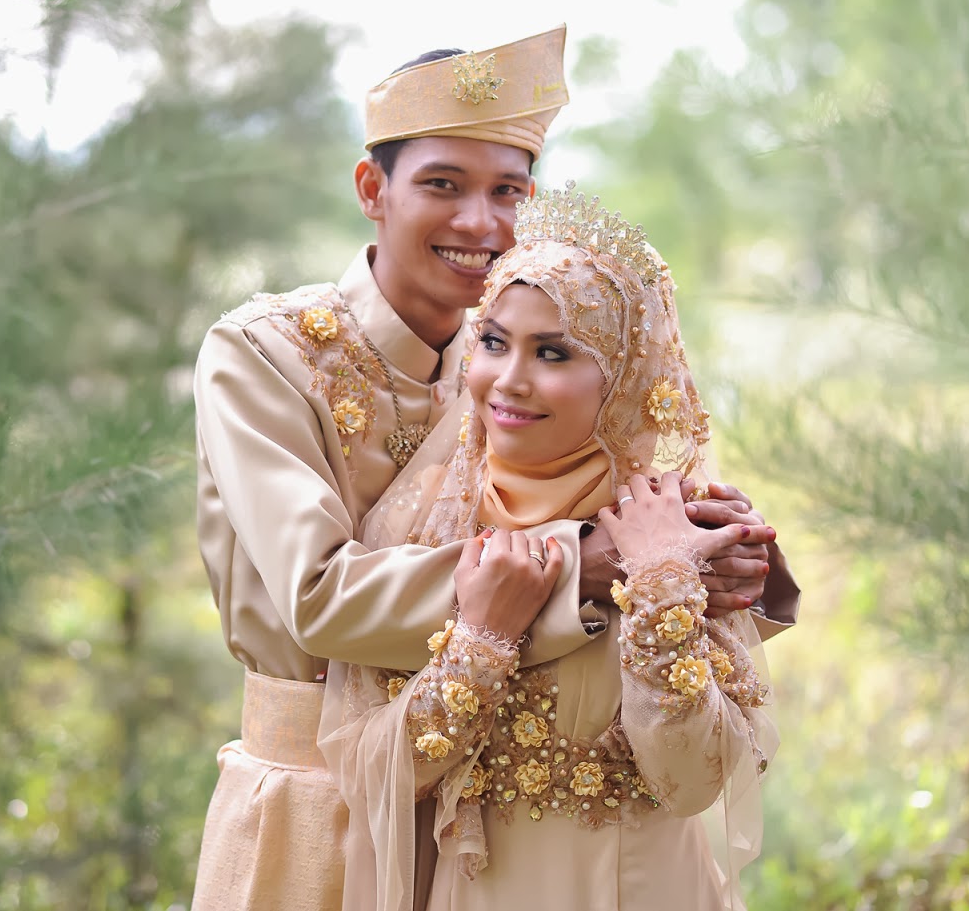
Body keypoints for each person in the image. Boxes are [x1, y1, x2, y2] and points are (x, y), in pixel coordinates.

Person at [192, 29, 796, 910]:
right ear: (373, 189)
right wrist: (585, 565)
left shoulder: (527, 361)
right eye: (443, 184)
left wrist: (712, 556)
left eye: (507, 189)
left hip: (485, 843)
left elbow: (639, 549)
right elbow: (318, 596)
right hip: (319, 811)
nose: (480, 221)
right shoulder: (265, 354)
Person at [319, 187, 778, 911]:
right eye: (493, 342)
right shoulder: (421, 524)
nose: (509, 380)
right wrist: (481, 640)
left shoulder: (670, 524)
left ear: (621, 376)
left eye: (553, 352)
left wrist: (661, 582)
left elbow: (694, 779)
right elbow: (370, 771)